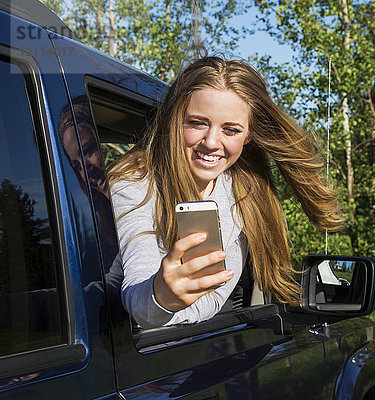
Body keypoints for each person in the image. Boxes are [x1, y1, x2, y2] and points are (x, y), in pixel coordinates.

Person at [108, 56, 342, 329]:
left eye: (230, 130)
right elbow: (138, 295)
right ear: (174, 120)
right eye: (196, 123)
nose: (210, 142)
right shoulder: (135, 185)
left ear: (249, 135)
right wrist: (160, 297)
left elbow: (214, 296)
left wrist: (172, 304)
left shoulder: (243, 195)